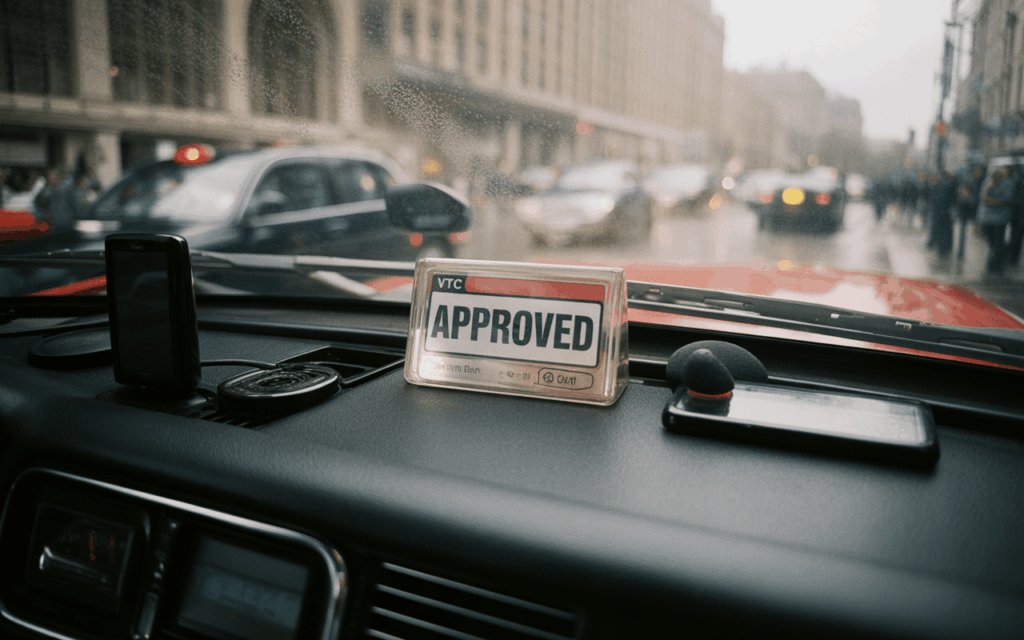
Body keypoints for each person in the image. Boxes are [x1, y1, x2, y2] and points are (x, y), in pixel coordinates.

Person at [976, 166, 1017, 275]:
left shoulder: (1008, 183)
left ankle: (994, 265)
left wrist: (990, 200)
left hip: (999, 219)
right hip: (987, 218)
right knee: (993, 242)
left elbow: (1004, 200)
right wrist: (991, 187)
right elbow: (983, 197)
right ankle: (995, 264)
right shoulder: (988, 181)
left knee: (997, 243)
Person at [955, 165, 985, 261]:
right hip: (966, 210)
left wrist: (968, 197)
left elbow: (977, 199)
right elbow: (963, 196)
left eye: (979, 171)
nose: (977, 173)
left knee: (978, 232)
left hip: (975, 210)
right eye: (976, 170)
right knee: (963, 231)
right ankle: (960, 252)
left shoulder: (980, 182)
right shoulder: (970, 181)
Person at [928, 170, 957, 258]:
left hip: (941, 212)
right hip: (945, 212)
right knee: (946, 231)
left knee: (941, 230)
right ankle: (945, 248)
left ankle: (942, 248)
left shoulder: (940, 186)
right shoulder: (946, 185)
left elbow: (937, 199)